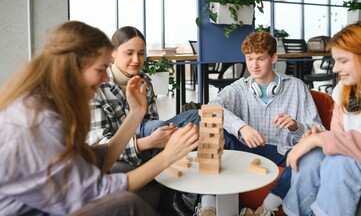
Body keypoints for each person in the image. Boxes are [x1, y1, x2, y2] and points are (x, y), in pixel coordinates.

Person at [0, 21, 202, 216]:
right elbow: (95, 192)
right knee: (127, 204)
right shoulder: (41, 119)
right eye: (100, 70)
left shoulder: (48, 103)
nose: (105, 79)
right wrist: (167, 157)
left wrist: (135, 114)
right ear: (72, 67)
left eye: (141, 53)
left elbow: (96, 161)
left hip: (54, 203)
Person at [202, 31, 323, 216]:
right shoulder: (239, 88)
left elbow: (319, 131)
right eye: (249, 59)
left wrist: (295, 126)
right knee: (211, 127)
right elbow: (212, 107)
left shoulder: (297, 87)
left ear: (274, 58)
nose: (254, 65)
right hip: (246, 149)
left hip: (283, 152)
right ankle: (208, 208)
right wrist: (242, 127)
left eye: (260, 59)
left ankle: (264, 210)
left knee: (311, 154)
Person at [87, 26, 200, 215]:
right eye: (129, 53)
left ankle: (191, 196)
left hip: (146, 139)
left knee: (194, 117)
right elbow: (99, 144)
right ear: (113, 52)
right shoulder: (97, 86)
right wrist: (146, 142)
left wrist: (164, 133)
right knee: (161, 129)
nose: (136, 60)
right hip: (120, 151)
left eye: (141, 53)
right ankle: (176, 198)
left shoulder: (144, 80)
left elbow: (150, 121)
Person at [283, 22, 361, 216]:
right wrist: (319, 136)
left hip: (351, 163)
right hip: (352, 155)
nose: (335, 69)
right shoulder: (343, 90)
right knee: (309, 157)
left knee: (340, 165)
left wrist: (320, 139)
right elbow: (338, 135)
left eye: (343, 61)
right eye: (335, 61)